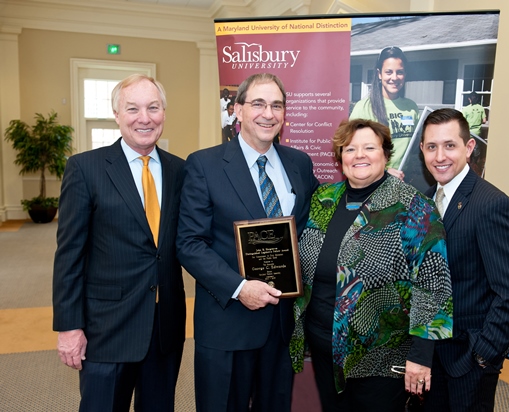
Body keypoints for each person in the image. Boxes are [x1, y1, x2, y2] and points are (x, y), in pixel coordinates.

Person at [177, 73, 319, 412]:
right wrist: (240, 288)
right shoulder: (205, 164)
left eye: (276, 105)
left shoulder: (299, 164)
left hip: (281, 326)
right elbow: (189, 243)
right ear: (237, 110)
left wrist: (379, 183)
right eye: (258, 104)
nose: (268, 113)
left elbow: (320, 217)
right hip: (228, 324)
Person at [290, 118, 453, 411]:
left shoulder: (414, 208)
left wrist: (420, 356)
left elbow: (433, 287)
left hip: (381, 356)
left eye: (369, 147)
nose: (359, 155)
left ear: (385, 154)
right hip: (324, 346)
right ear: (340, 158)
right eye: (350, 149)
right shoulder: (323, 199)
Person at [52, 74, 186, 411]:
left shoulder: (180, 171)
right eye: (133, 109)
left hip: (164, 328)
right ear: (116, 115)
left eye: (153, 107)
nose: (145, 118)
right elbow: (69, 254)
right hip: (106, 329)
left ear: (164, 113)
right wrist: (69, 327)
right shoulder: (85, 168)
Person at [419, 108, 509, 411]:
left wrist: (484, 354)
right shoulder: (426, 200)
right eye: (432, 147)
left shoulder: (491, 205)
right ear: (422, 151)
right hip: (432, 356)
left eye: (450, 145)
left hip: (470, 359)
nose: (440, 156)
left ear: (469, 148)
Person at [350, 46, 419, 169]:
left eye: (399, 72)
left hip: (403, 181)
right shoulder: (364, 107)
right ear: (379, 74)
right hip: (374, 182)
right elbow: (351, 151)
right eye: (389, 72)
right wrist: (384, 172)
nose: (394, 77)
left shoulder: (411, 107)